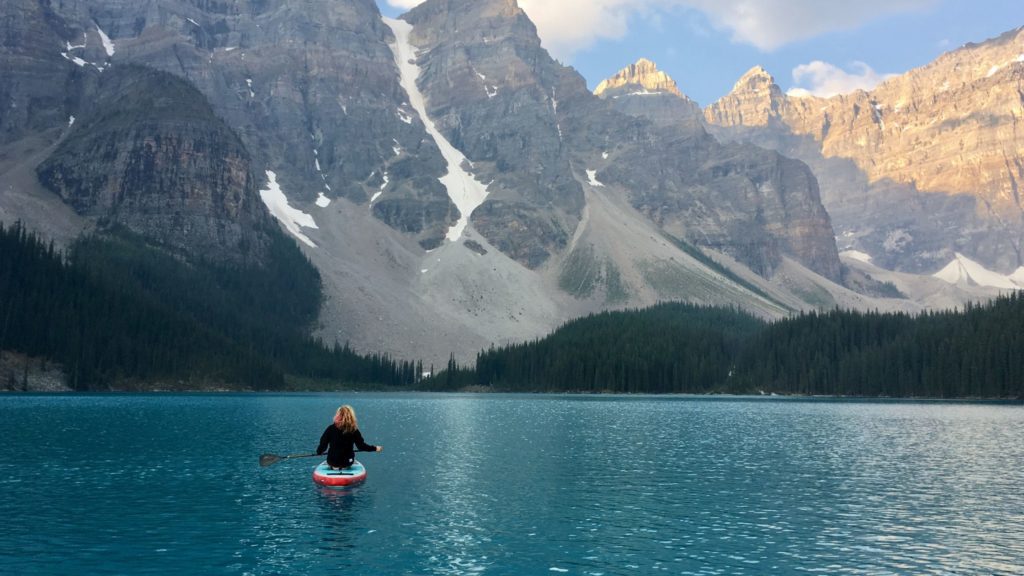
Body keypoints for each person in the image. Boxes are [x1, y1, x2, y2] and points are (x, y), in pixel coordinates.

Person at [317, 405, 382, 469]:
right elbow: (361, 447)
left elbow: (323, 446)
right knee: (347, 460)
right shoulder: (353, 430)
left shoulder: (330, 429)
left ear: (337, 416)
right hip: (347, 462)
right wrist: (375, 448)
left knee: (334, 461)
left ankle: (335, 467)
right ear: (351, 417)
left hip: (332, 461)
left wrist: (319, 452)